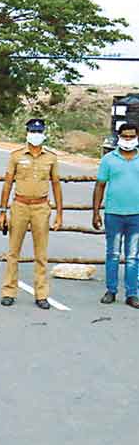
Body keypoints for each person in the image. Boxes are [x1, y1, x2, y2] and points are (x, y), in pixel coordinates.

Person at [0, 118, 63, 310]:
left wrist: (59, 213)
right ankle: (8, 291)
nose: (36, 135)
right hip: (19, 206)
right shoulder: (16, 156)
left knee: (41, 254)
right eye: (33, 132)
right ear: (27, 133)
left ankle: (41, 294)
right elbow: (8, 183)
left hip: (41, 208)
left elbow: (56, 185)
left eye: (39, 131)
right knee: (13, 252)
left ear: (44, 133)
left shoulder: (51, 158)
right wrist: (2, 212)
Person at [92, 123, 139, 308]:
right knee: (112, 254)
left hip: (136, 215)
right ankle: (111, 290)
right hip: (113, 214)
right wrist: (96, 212)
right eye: (125, 136)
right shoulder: (109, 160)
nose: (128, 140)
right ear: (118, 137)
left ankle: (132, 293)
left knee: (133, 256)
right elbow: (100, 186)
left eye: (131, 136)